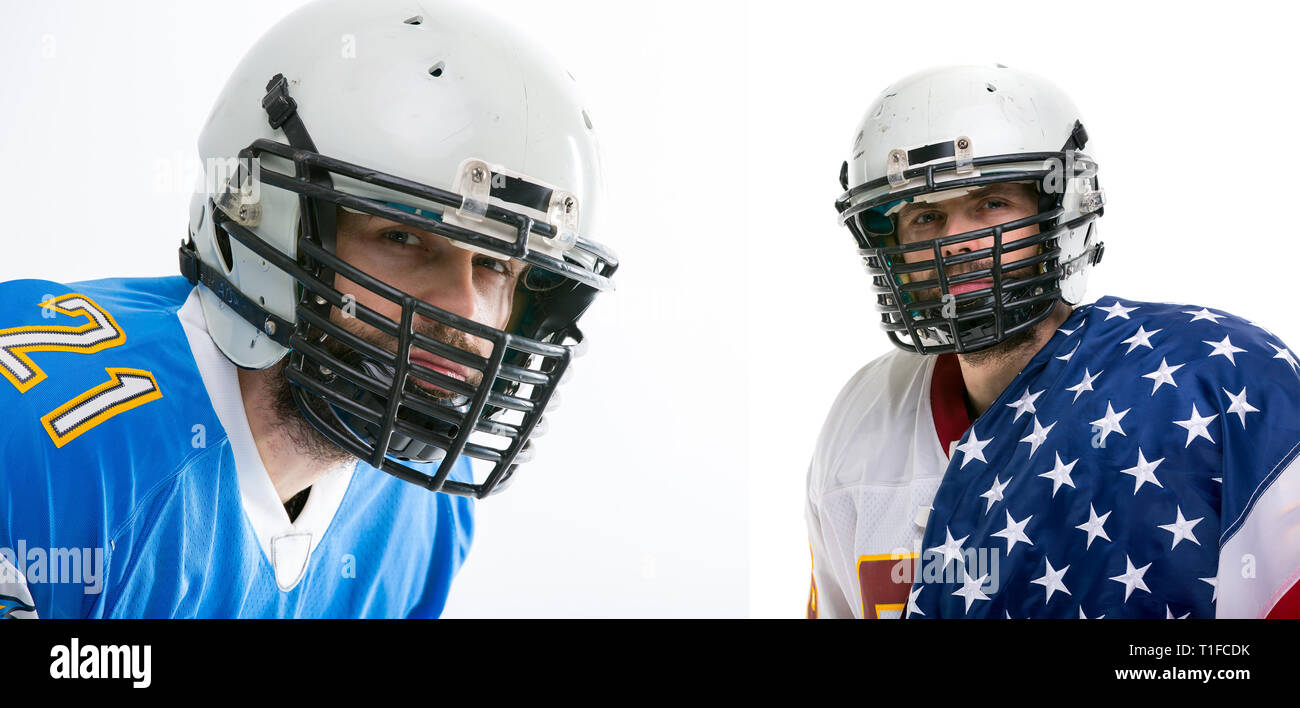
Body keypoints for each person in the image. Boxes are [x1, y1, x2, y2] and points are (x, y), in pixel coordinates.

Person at [0, 0, 616, 618]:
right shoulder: (47, 444)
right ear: (263, 221)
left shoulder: (421, 514)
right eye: (402, 238)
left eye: (494, 266)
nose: (467, 307)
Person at [805, 65, 1300, 619]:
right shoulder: (861, 421)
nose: (956, 242)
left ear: (1058, 211)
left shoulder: (1206, 381)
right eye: (925, 216)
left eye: (991, 204)